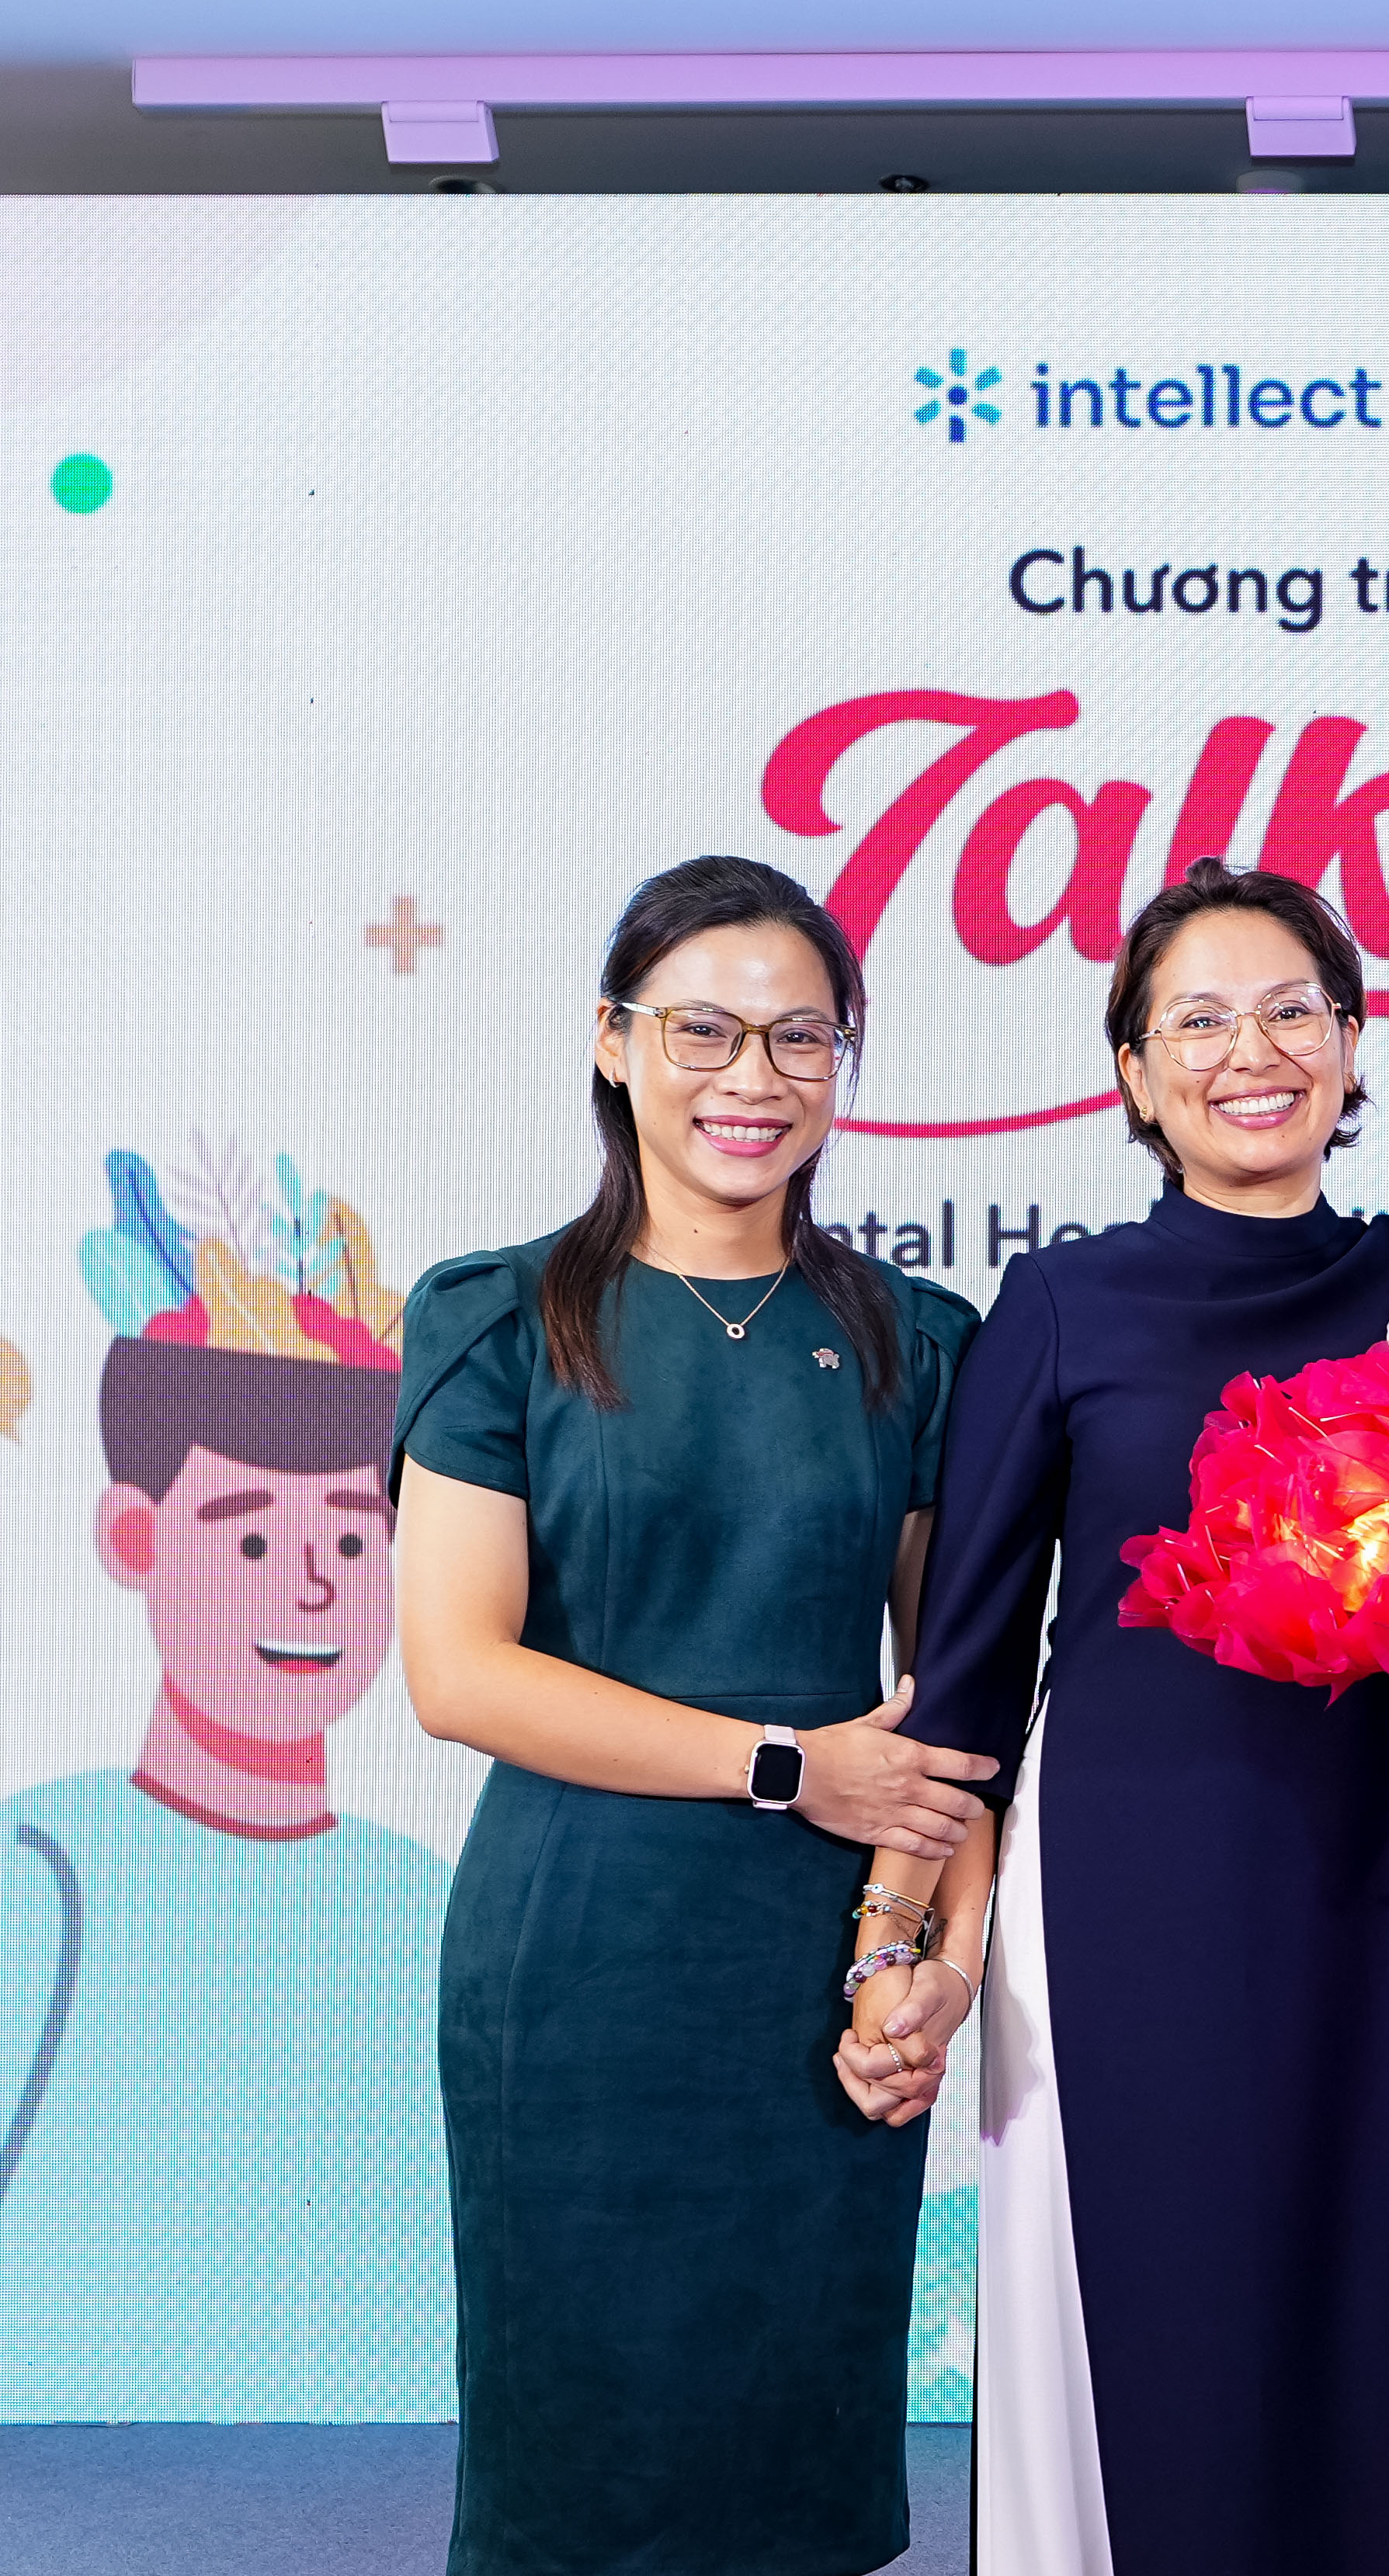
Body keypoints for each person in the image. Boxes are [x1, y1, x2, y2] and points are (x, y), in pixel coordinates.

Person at [855, 857, 1389, 2576]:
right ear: (1138, 1078)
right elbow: (973, 1666)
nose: (1256, 1050)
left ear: (1360, 1048)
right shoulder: (1066, 1308)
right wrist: (897, 1941)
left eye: (1295, 1010)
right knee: (1169, 2298)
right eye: (1202, 1020)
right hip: (1132, 1887)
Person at [394, 856, 989, 2576]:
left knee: (798, 2468)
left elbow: (948, 1716)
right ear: (613, 1041)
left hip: (821, 1977)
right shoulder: (497, 1320)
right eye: (706, 1031)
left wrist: (932, 1964)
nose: (754, 1080)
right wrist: (788, 1768)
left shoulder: (914, 1342)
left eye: (802, 1039)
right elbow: (461, 1671)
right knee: (576, 2477)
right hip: (572, 1967)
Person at [0, 1152, 450, 2418]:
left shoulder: (428, 1895)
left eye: (352, 1539)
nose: (310, 1584)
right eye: (252, 1534)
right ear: (134, 1540)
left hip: (393, 2461)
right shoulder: (41, 1866)